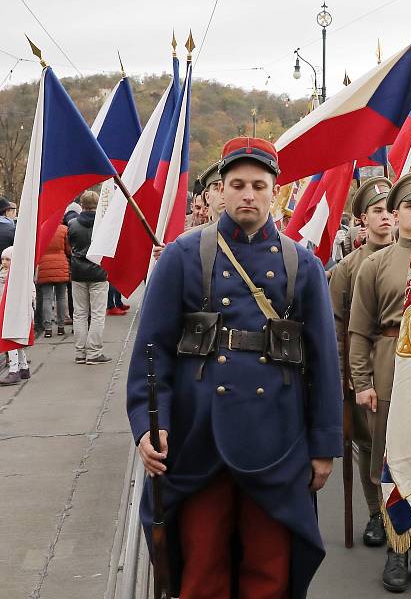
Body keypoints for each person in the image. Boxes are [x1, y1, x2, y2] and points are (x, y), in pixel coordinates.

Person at [127, 136, 342, 599]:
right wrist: (150, 426)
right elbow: (153, 352)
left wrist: (323, 446)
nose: (248, 194)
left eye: (259, 185)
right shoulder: (184, 256)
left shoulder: (303, 264)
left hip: (278, 440)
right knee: (203, 566)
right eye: (238, 184)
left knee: (269, 569)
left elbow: (324, 361)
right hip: (198, 438)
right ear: (219, 190)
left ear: (275, 192)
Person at [348, 172, 411, 593]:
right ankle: (396, 545)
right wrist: (362, 381)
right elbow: (358, 331)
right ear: (395, 213)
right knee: (391, 462)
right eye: (409, 205)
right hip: (389, 367)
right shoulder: (375, 264)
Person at [328, 178, 395, 550]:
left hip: (399, 369)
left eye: (389, 209)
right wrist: (345, 377)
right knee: (368, 445)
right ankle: (375, 513)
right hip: (364, 371)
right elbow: (338, 327)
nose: (385, 217)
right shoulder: (349, 268)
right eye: (377, 211)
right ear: (362, 219)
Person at [69, 191, 111, 365]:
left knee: (79, 313)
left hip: (78, 271)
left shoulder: (72, 224)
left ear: (81, 204)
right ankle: (94, 352)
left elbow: (70, 245)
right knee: (97, 314)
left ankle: (80, 352)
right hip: (99, 272)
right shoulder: (104, 224)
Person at [0, 246, 32, 385]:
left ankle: (14, 371)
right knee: (16, 341)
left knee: (10, 340)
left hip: (14, 312)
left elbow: (30, 293)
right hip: (6, 311)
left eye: (8, 259)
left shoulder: (20, 276)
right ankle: (24, 367)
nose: (4, 262)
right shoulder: (3, 275)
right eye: (2, 259)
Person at [36, 220, 70, 337]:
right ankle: (61, 327)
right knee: (61, 298)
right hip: (61, 264)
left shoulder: (40, 229)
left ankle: (48, 329)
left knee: (47, 299)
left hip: (45, 265)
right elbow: (68, 249)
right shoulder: (64, 229)